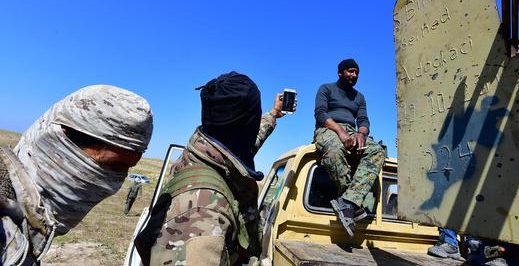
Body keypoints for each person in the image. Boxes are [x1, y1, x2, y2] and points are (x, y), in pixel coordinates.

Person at [138, 72, 295, 266]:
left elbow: (246, 144)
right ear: (247, 123)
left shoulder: (209, 150)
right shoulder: (201, 212)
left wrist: (273, 114)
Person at [0, 85, 153, 265]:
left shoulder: (23, 223)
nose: (114, 184)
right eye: (111, 165)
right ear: (59, 141)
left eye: (126, 169)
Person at [313, 58, 386, 237]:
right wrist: (340, 131)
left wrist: (361, 134)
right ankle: (351, 202)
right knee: (334, 150)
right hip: (328, 128)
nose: (354, 75)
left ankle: (348, 203)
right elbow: (320, 114)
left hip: (352, 131)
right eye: (350, 71)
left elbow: (363, 120)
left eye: (356, 73)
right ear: (340, 72)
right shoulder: (326, 88)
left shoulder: (359, 97)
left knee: (378, 150)